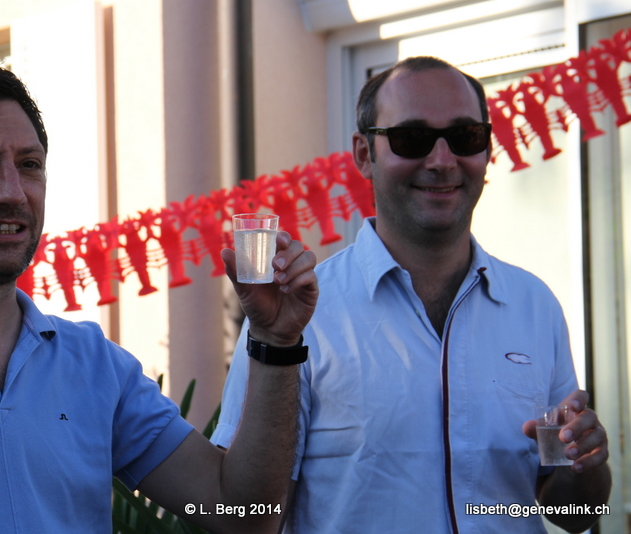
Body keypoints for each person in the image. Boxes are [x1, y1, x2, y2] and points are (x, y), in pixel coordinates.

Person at [0, 52, 319, 534]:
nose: (11, 192)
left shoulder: (94, 365)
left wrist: (275, 342)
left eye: (29, 164)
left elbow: (241, 515)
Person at [212, 56, 611, 533]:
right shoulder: (296, 316)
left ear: (486, 148)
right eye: (412, 138)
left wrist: (586, 464)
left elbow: (572, 514)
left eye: (465, 136)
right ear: (364, 154)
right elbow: (244, 515)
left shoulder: (534, 305)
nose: (441, 161)